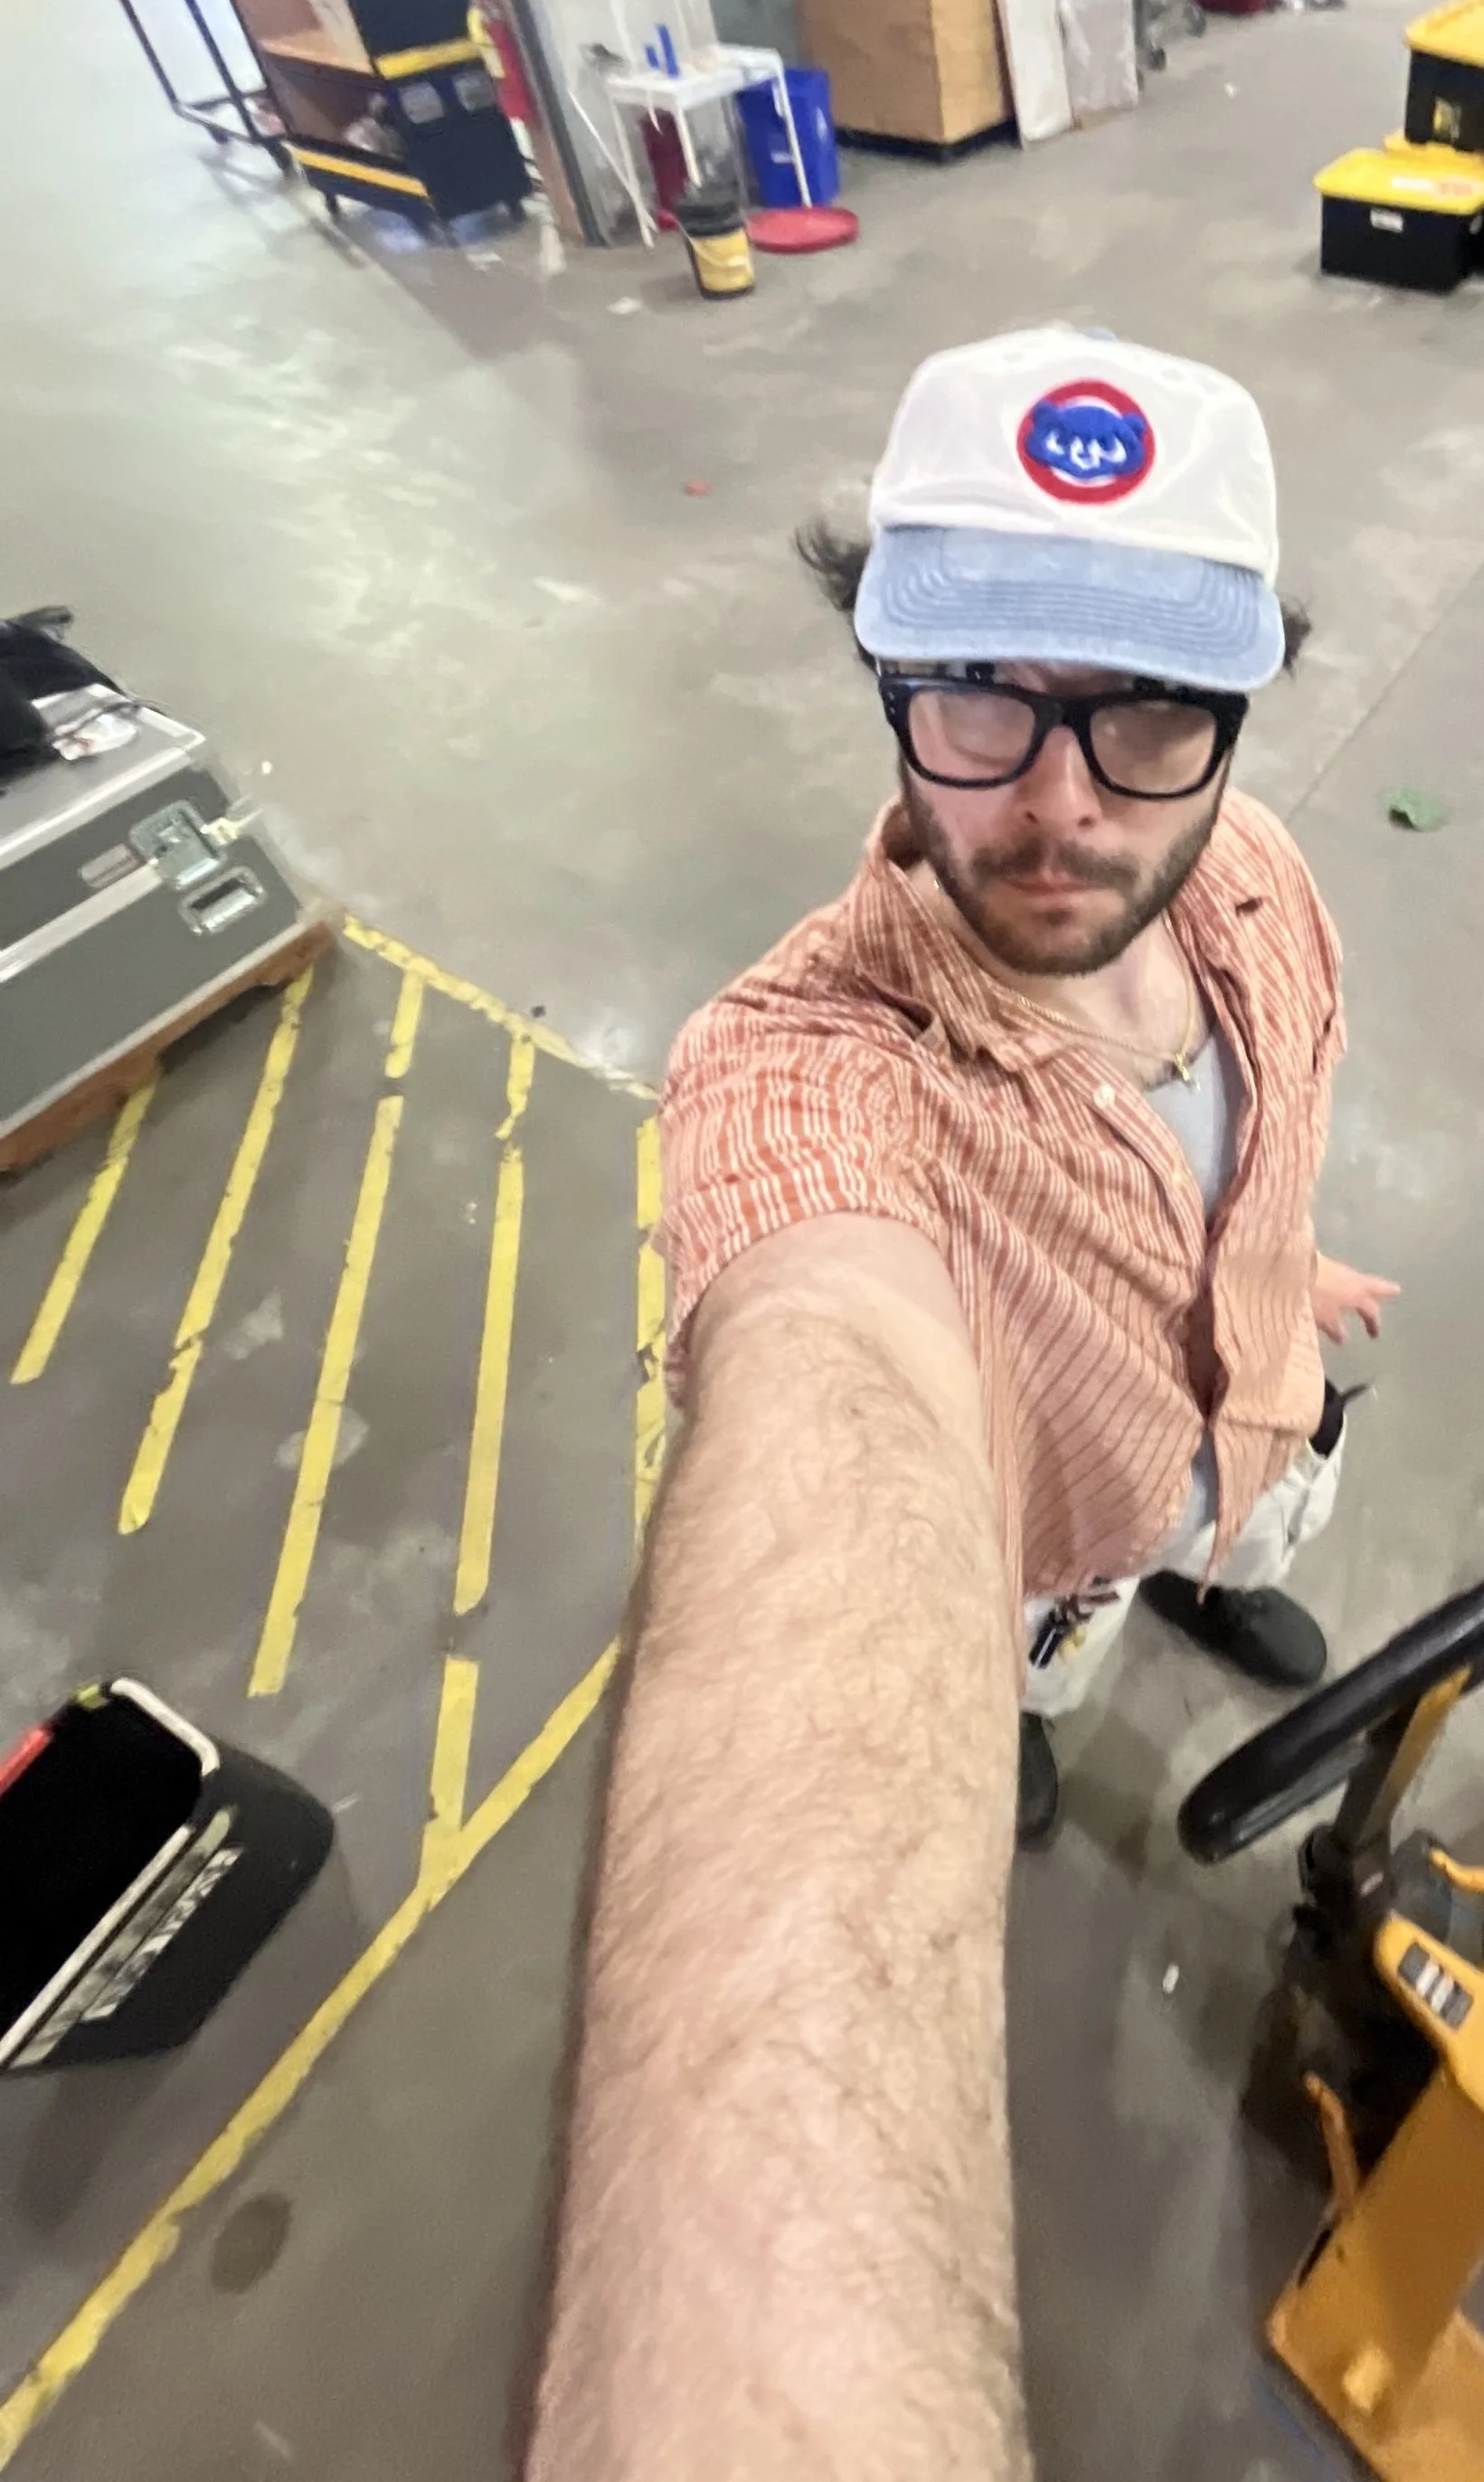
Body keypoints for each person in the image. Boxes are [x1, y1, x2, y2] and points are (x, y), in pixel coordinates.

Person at [525, 331, 1393, 2482]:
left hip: (1246, 1416)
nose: (1063, 799)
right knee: (1031, 1649)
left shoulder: (1261, 882)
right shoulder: (807, 1077)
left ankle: (1204, 1557)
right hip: (1040, 1536)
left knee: (1220, 1528)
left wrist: (1271, 1257)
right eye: (979, 696)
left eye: (1147, 709)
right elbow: (830, 1390)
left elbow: (1246, 1127)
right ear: (886, 675)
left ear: (1234, 706)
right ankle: (1024, 1714)